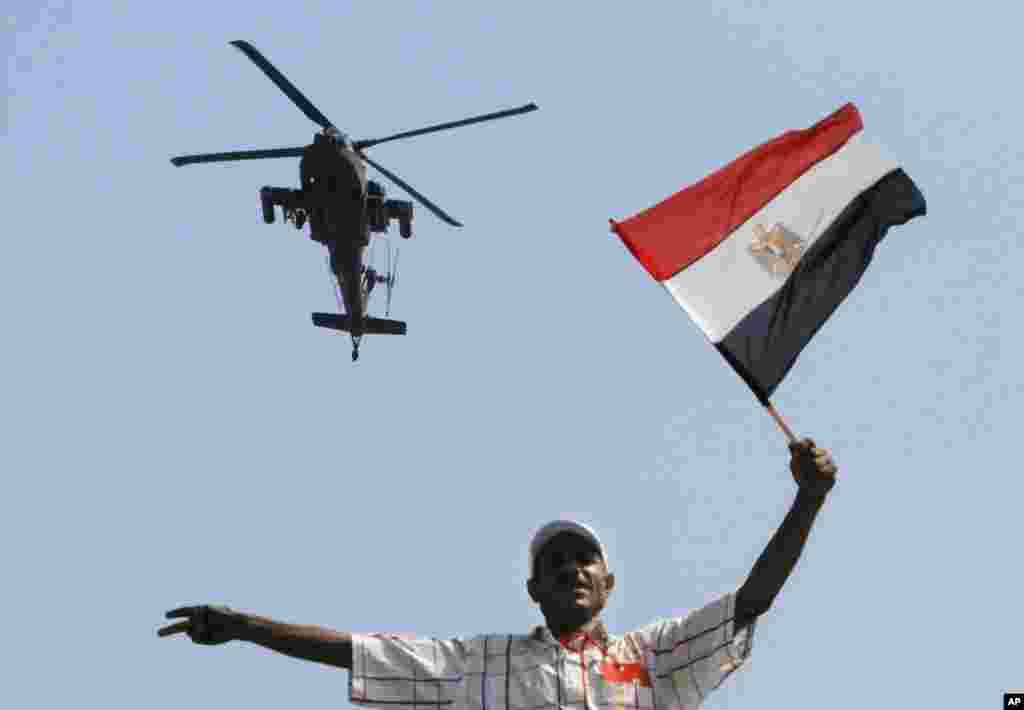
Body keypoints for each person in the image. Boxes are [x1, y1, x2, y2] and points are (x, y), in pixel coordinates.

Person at [159, 438, 837, 709]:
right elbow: (356, 651)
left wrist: (808, 498)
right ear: (534, 590)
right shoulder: (477, 666)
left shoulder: (652, 659)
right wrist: (246, 628)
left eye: (583, 560)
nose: (570, 568)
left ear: (608, 586)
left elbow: (749, 604)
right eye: (553, 563)